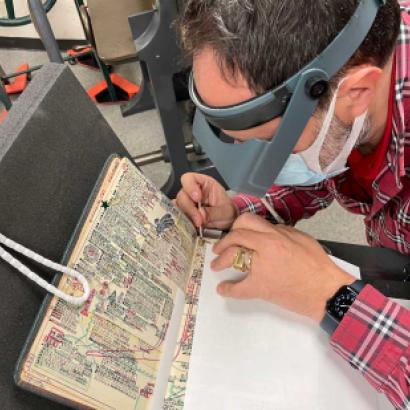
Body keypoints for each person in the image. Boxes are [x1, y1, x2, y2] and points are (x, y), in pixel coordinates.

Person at [175, 1, 410, 409]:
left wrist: (330, 295)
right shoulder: (351, 85)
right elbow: (326, 162)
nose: (267, 165)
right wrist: (240, 210)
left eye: (272, 147)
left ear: (357, 93)